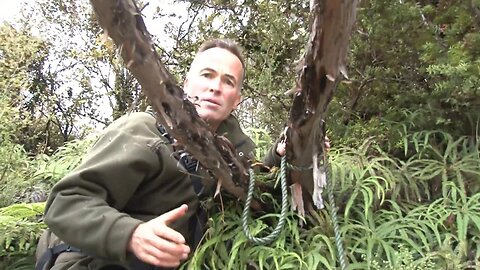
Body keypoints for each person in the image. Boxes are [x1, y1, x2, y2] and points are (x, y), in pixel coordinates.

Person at [36, 38, 256, 270]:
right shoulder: (142, 132)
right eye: (207, 75)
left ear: (237, 101)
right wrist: (131, 234)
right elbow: (65, 203)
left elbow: (259, 187)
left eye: (228, 81)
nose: (215, 87)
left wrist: (280, 154)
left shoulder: (232, 155)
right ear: (186, 83)